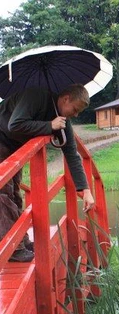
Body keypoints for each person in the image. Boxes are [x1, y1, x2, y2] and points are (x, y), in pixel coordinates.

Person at [0, 84, 95, 262]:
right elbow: (15, 124)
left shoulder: (62, 119)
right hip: (2, 138)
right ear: (66, 98)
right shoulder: (34, 94)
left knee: (14, 193)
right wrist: (49, 125)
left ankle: (20, 240)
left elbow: (72, 154)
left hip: (14, 149)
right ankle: (12, 248)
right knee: (2, 194)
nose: (75, 115)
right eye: (75, 109)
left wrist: (85, 189)